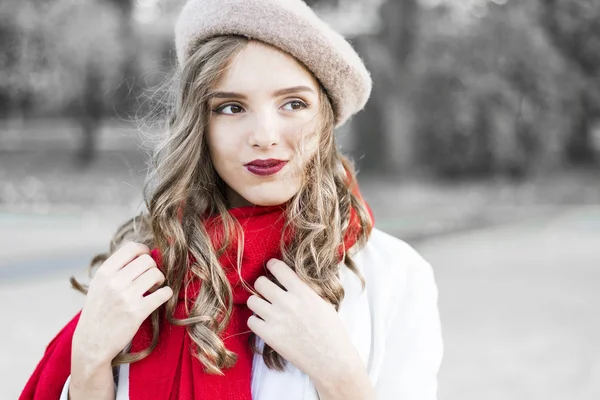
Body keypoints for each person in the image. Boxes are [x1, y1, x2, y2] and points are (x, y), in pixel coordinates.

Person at [20, 0, 443, 399]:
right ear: (198, 126)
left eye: (293, 103)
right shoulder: (143, 275)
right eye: (230, 108)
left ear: (326, 117)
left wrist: (342, 378)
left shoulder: (395, 277)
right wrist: (90, 362)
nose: (264, 135)